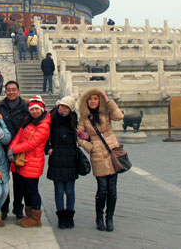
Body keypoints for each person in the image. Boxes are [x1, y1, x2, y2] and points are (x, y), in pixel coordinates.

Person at [77, 88, 124, 232]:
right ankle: (99, 217)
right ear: (86, 101)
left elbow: (119, 116)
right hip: (97, 154)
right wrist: (89, 146)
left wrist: (108, 100)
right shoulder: (84, 119)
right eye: (90, 99)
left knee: (113, 190)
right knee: (102, 189)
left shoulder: (106, 113)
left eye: (96, 98)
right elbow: (79, 137)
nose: (93, 101)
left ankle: (109, 218)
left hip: (111, 153)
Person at [7, 95, 51, 227]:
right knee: (26, 189)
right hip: (23, 161)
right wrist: (11, 148)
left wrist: (14, 150)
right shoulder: (28, 121)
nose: (34, 112)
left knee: (32, 190)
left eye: (37, 109)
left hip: (33, 162)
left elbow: (33, 143)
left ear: (42, 109)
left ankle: (36, 218)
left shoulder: (44, 125)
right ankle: (29, 216)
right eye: (32, 109)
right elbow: (18, 136)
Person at [0, 80, 28, 220]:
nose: (11, 92)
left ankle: (18, 208)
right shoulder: (0, 106)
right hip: (3, 149)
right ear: (5, 91)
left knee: (19, 180)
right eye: (8, 89)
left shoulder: (26, 107)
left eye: (14, 89)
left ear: (18, 91)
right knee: (4, 179)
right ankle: (4, 207)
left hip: (19, 149)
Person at [47, 95, 79, 229]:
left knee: (70, 190)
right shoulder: (51, 118)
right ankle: (61, 216)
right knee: (59, 190)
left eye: (67, 107)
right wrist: (48, 148)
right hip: (57, 159)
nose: (63, 109)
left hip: (71, 158)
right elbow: (45, 136)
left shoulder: (74, 120)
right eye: (62, 106)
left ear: (70, 110)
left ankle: (69, 217)